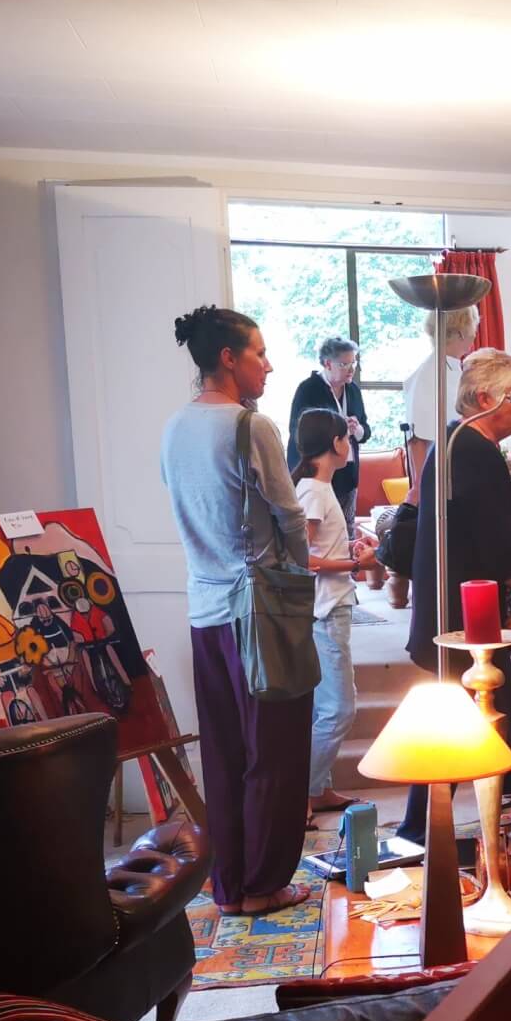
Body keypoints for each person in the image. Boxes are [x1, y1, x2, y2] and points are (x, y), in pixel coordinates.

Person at [160, 305, 314, 917]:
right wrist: (301, 574)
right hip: (260, 613)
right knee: (274, 752)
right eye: (259, 353)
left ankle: (229, 886)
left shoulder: (174, 427)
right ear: (228, 358)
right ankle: (263, 884)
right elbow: (290, 515)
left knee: (224, 754)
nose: (268, 366)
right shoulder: (251, 426)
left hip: (205, 609)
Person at [401, 348, 511, 843]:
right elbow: (495, 547)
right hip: (466, 616)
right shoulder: (476, 452)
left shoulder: (452, 441)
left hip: (457, 611)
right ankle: (425, 827)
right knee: (477, 716)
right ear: (485, 398)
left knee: (496, 708)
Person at [294, 408, 380, 825]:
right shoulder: (313, 490)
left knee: (326, 707)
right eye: (347, 438)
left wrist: (349, 548)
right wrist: (355, 564)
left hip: (330, 607)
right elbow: (303, 559)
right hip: (327, 610)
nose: (351, 445)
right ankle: (301, 793)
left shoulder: (318, 488)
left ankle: (318, 788)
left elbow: (317, 549)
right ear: (335, 444)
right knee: (340, 709)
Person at [288, 337, 371, 523]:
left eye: (354, 363)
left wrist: (357, 429)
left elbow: (366, 430)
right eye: (344, 364)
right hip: (316, 475)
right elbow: (298, 432)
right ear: (327, 364)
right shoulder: (308, 389)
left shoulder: (353, 390)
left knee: (345, 529)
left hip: (347, 474)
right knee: (317, 531)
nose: (351, 369)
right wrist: (336, 429)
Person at [401, 304, 479, 490]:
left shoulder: (450, 367)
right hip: (440, 477)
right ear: (461, 332)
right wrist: (419, 489)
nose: (475, 334)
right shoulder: (431, 373)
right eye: (474, 327)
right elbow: (417, 438)